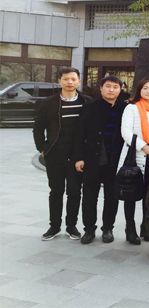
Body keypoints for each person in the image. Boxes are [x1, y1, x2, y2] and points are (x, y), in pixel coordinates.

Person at [33, 67, 92, 241]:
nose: (70, 82)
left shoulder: (87, 102)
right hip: (55, 154)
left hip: (77, 156)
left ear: (79, 81)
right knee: (56, 191)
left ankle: (71, 226)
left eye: (73, 79)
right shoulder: (49, 103)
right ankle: (54, 226)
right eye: (66, 79)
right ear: (59, 81)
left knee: (75, 192)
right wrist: (42, 148)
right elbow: (38, 128)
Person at [74, 75, 126, 244]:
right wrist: (79, 157)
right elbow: (79, 134)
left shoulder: (125, 108)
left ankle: (108, 229)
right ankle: (89, 230)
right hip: (93, 159)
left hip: (115, 160)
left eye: (115, 87)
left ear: (120, 89)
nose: (111, 90)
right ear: (101, 88)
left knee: (112, 196)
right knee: (89, 196)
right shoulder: (90, 107)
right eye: (108, 86)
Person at [117, 77, 149, 244]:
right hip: (135, 156)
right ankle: (130, 228)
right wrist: (144, 147)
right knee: (131, 193)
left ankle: (147, 226)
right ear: (139, 90)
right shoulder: (131, 108)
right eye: (145, 88)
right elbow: (126, 132)